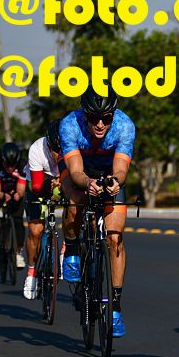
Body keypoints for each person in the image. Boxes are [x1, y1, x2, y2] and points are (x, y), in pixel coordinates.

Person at [59, 84, 135, 338]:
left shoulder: (125, 125)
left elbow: (122, 169)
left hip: (110, 172)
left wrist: (115, 181)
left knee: (115, 237)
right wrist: (88, 183)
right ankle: (71, 248)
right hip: (81, 172)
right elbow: (76, 171)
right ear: (84, 114)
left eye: (106, 118)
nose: (100, 124)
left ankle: (115, 307)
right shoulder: (70, 125)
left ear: (114, 115)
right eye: (94, 118)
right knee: (75, 203)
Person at [23, 120, 62, 299]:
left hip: (63, 181)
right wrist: (51, 184)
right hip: (38, 183)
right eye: (55, 149)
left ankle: (65, 252)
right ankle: (32, 272)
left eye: (61, 150)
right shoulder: (37, 149)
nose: (57, 154)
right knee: (36, 229)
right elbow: (37, 186)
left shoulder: (75, 146)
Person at [0, 142, 27, 269]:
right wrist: (3, 196)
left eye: (12, 165)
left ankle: (18, 252)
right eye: (7, 165)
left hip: (15, 191)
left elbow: (21, 188)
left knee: (18, 221)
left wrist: (18, 195)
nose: (10, 168)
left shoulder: (22, 165)